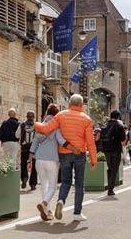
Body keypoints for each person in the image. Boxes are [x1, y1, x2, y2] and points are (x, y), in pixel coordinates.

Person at [34, 93, 97, 222]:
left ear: (69, 104)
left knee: (66, 181)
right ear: (81, 105)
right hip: (79, 153)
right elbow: (90, 142)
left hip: (64, 153)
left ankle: (61, 201)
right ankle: (77, 213)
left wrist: (35, 124)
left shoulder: (61, 115)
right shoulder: (86, 119)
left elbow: (46, 129)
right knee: (79, 184)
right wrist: (93, 159)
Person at [31, 104, 69, 222]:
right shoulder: (56, 127)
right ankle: (44, 204)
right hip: (52, 159)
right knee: (52, 187)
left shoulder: (40, 126)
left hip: (39, 159)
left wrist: (29, 160)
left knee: (44, 185)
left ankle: (48, 211)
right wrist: (72, 148)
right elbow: (61, 141)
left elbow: (34, 143)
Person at [99, 110, 126, 196]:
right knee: (114, 169)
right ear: (118, 117)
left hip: (106, 150)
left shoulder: (105, 125)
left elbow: (101, 137)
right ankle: (110, 189)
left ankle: (109, 186)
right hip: (116, 150)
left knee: (110, 168)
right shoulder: (119, 126)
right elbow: (123, 138)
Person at [19, 111, 38, 191]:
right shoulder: (37, 125)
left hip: (24, 148)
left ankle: (24, 177)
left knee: (23, 164)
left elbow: (17, 135)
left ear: (26, 117)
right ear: (34, 117)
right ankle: (33, 184)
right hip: (34, 149)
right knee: (34, 166)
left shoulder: (22, 125)